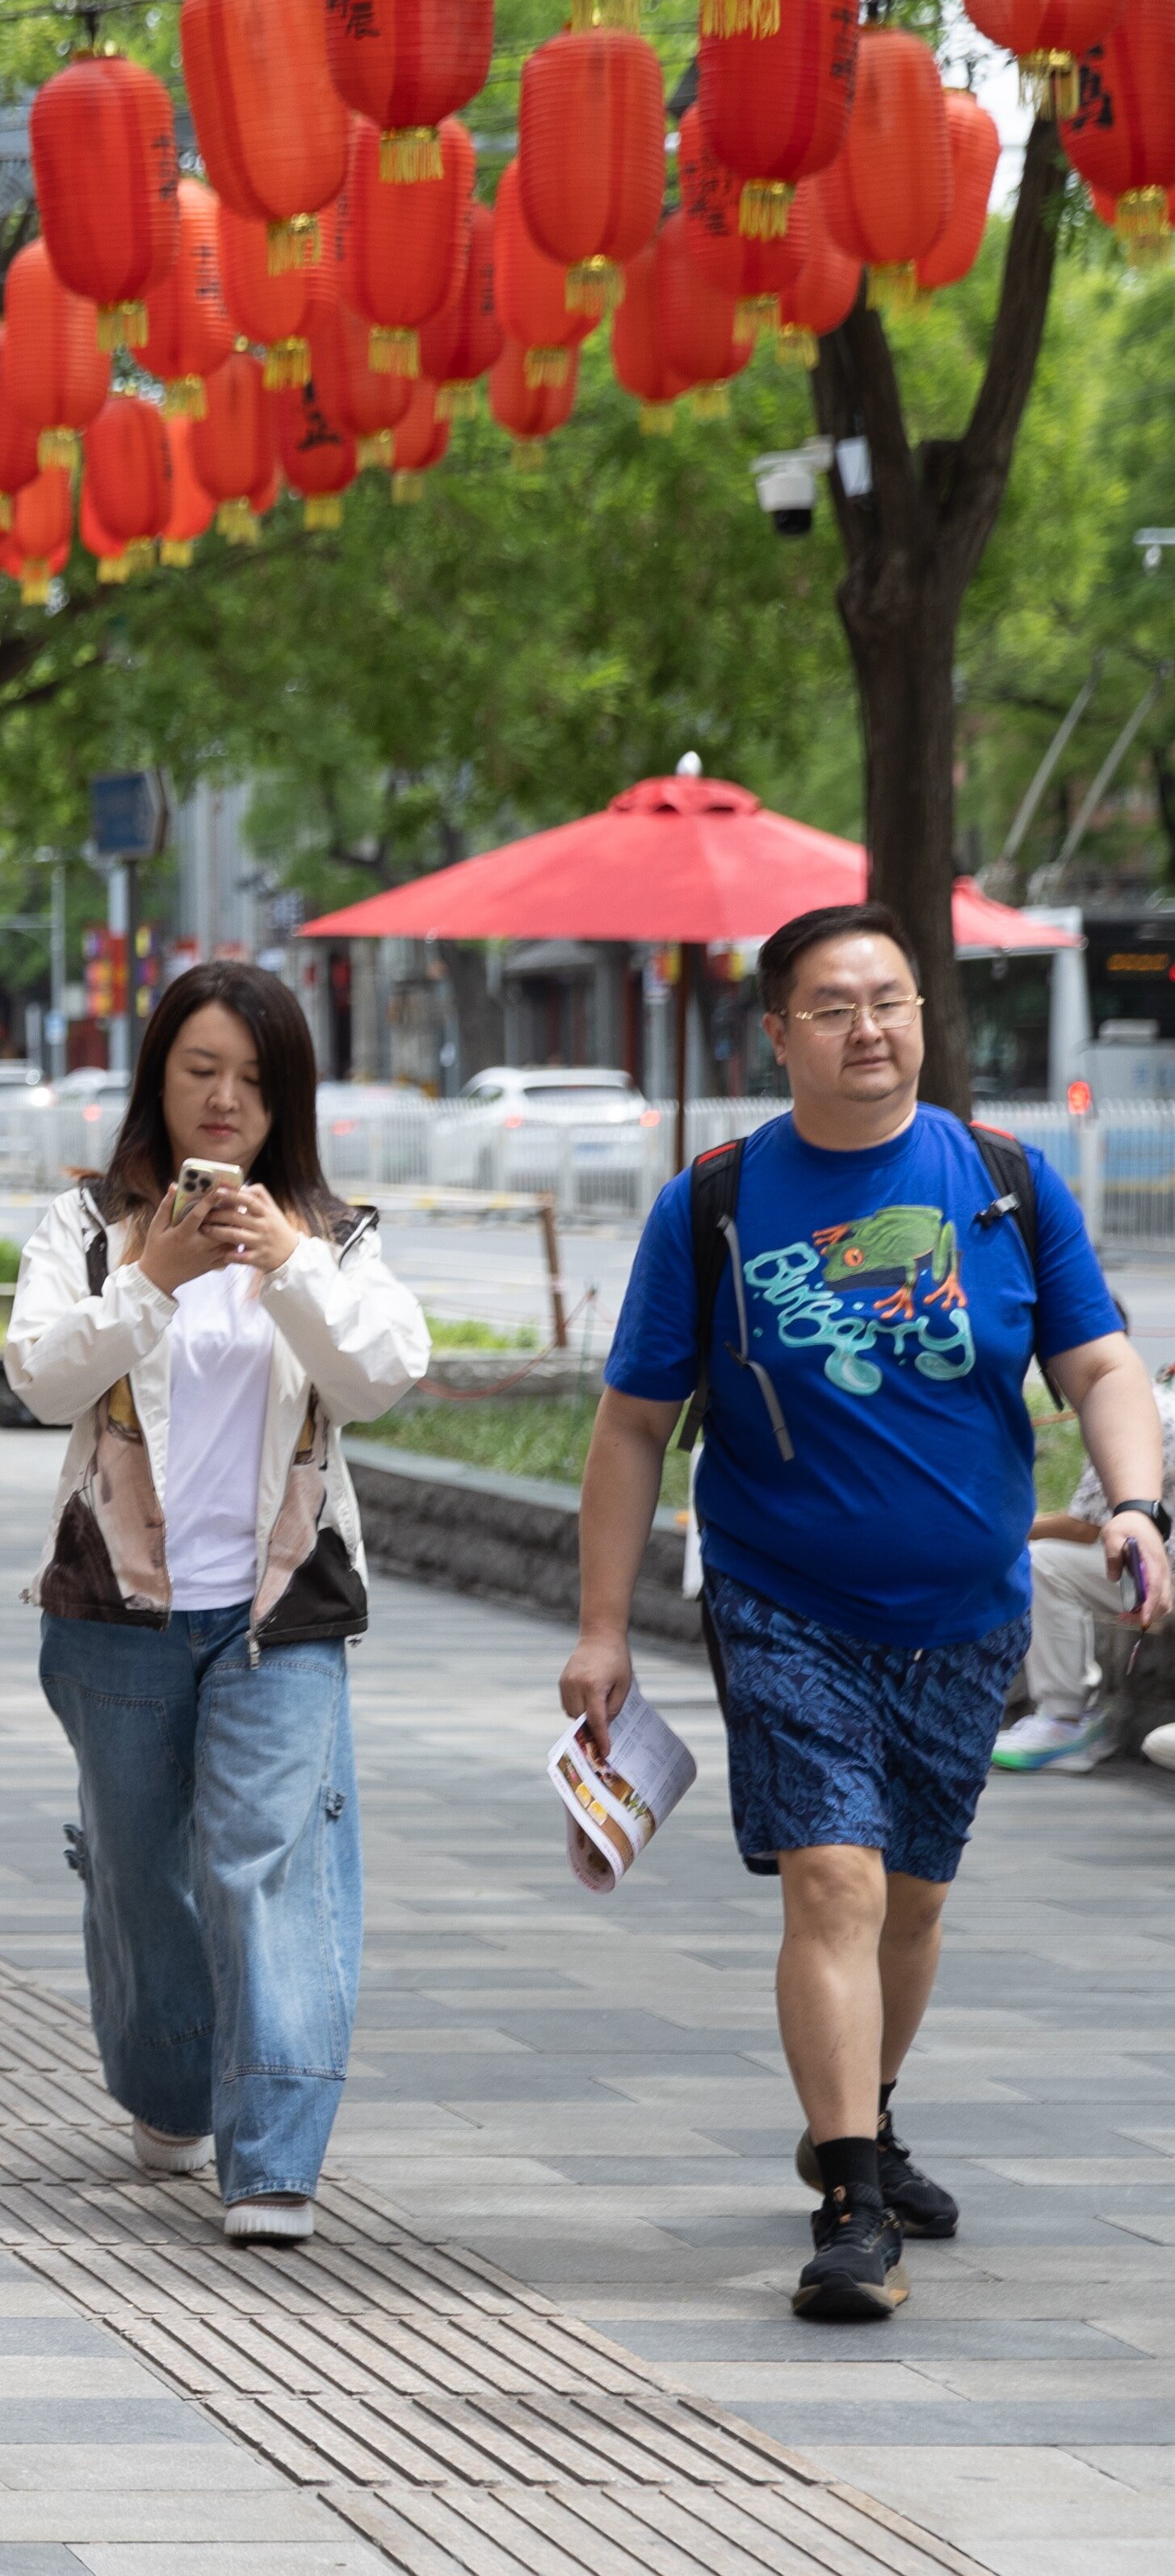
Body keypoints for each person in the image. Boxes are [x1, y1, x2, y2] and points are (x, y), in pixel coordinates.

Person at [573, 903, 1167, 2325]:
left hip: (964, 1608)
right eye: (832, 1005)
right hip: (782, 1598)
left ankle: (865, 2110)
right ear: (776, 1032)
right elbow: (630, 1423)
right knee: (831, 1877)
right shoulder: (713, 1202)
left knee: (910, 1895)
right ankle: (848, 2201)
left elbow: (1097, 1364)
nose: (867, 1027)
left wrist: (1137, 1503)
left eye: (888, 1000)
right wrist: (600, 1626)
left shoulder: (1003, 1181)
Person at [2, 961, 430, 2249]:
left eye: (251, 1076)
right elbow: (37, 1375)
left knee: (264, 1866)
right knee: (139, 1872)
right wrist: (152, 1275)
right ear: (157, 1079)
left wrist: (284, 1260)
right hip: (112, 1610)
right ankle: (168, 2082)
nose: (224, 1098)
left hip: (278, 1610)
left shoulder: (331, 1236)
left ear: (285, 1095)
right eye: (199, 1069)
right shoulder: (86, 1226)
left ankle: (272, 2158)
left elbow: (380, 1374)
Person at [990, 1351, 1175, 1775]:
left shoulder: (1136, 1415)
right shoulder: (1149, 1401)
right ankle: (1064, 1720)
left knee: (1047, 1564)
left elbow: (1084, 1528)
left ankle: (1064, 1720)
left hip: (1164, 1576)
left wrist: (996, 1528)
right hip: (1160, 1567)